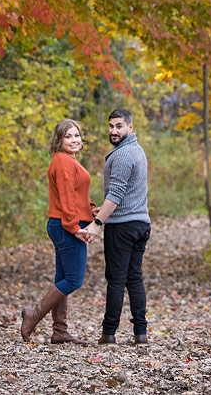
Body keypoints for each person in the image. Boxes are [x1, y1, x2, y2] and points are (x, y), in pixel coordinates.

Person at [20, 117, 96, 345]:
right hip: (66, 225)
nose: (74, 140)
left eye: (77, 135)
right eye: (68, 136)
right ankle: (33, 315)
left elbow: (76, 195)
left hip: (62, 223)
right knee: (73, 280)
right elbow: (66, 199)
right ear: (59, 140)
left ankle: (60, 331)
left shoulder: (67, 161)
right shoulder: (63, 162)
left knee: (63, 278)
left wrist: (91, 209)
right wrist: (75, 228)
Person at [79, 107, 150, 345]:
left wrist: (98, 222)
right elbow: (126, 193)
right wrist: (104, 209)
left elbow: (117, 192)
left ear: (130, 127)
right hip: (139, 223)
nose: (114, 130)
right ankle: (141, 333)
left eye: (119, 126)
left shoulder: (123, 154)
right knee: (134, 278)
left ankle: (108, 334)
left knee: (117, 279)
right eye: (111, 126)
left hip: (123, 227)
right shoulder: (137, 151)